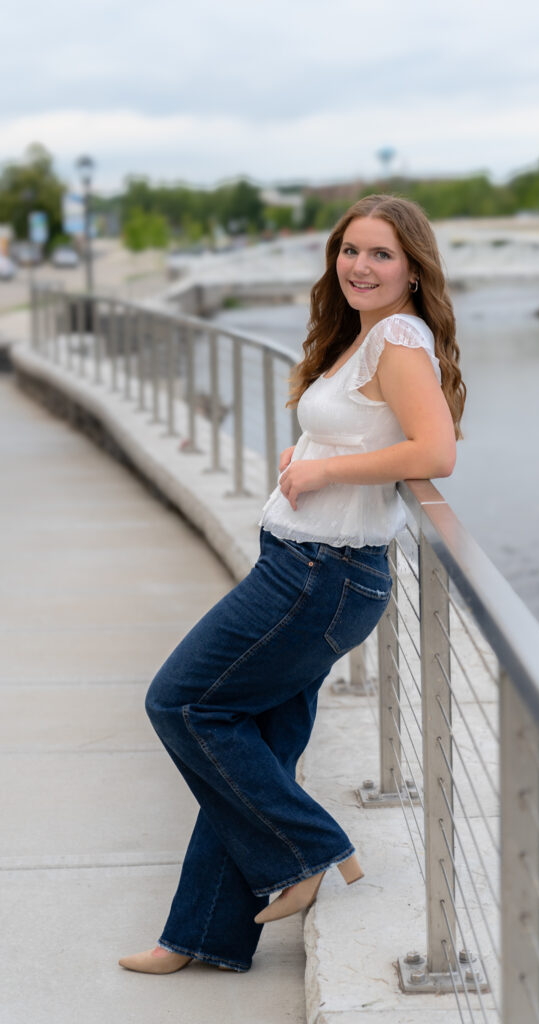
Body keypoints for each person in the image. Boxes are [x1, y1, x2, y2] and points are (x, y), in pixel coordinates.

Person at [118, 194, 466, 975]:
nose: (360, 266)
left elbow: (434, 452)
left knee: (181, 702)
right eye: (349, 250)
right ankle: (201, 935)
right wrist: (303, 455)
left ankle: (307, 848)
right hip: (306, 566)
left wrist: (324, 469)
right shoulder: (363, 335)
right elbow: (361, 424)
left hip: (321, 577)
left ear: (413, 268)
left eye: (380, 253)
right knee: (251, 744)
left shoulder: (399, 337)